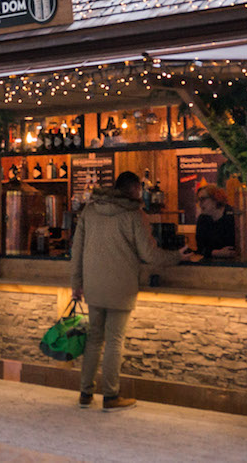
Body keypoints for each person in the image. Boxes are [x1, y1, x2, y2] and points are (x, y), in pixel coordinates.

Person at [71, 171, 191, 411]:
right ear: (135, 189)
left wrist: (76, 284)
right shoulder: (134, 215)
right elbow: (149, 254)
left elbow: (77, 251)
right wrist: (177, 256)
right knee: (114, 341)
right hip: (121, 286)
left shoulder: (90, 211)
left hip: (93, 285)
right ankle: (111, 396)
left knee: (94, 339)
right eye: (140, 190)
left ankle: (85, 393)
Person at [194, 184, 236, 259]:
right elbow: (200, 249)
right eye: (198, 200)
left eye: (203, 199)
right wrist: (216, 253)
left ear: (216, 198)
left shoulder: (233, 216)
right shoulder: (203, 219)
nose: (200, 204)